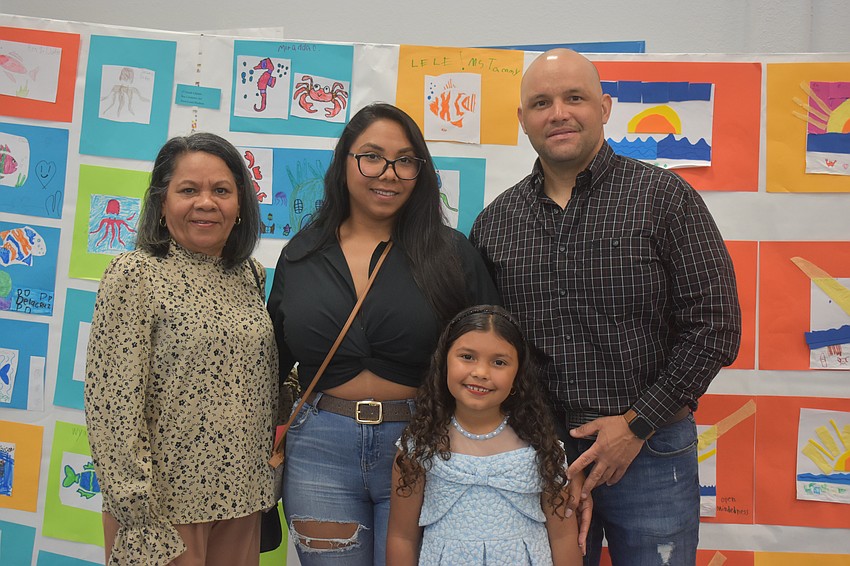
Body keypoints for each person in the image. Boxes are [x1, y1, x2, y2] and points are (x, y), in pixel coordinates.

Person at [470, 49, 742, 565]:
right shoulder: (495, 223)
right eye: (541, 102)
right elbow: (485, 349)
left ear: (606, 107)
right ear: (523, 119)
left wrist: (636, 424)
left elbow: (716, 327)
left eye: (575, 97)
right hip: (538, 457)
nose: (559, 113)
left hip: (653, 453)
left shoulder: (665, 199)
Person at [266, 103, 501, 566]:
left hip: (426, 443)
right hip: (319, 450)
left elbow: (493, 356)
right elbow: (271, 360)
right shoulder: (301, 254)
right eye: (371, 156)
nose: (388, 173)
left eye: (405, 160)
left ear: (421, 171)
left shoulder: (451, 254)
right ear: (345, 162)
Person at [84, 132, 277, 566]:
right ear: (162, 201)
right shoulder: (134, 274)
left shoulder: (250, 275)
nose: (206, 202)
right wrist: (134, 508)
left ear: (241, 204)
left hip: (240, 498)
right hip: (162, 510)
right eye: (188, 190)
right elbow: (112, 402)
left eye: (221, 190)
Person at [388, 305, 584, 566]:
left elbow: (563, 538)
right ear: (444, 361)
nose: (481, 372)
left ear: (518, 374)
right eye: (467, 357)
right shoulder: (419, 446)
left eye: (499, 362)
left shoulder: (543, 448)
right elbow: (402, 537)